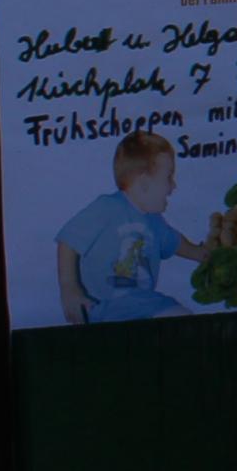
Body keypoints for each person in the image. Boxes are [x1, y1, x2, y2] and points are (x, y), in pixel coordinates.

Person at [53, 128, 204, 326]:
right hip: (101, 306)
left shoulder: (154, 221)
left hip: (141, 305)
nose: (173, 186)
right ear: (144, 184)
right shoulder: (108, 207)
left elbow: (176, 243)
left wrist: (202, 254)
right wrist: (69, 288)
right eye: (168, 177)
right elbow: (68, 241)